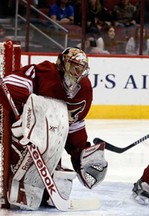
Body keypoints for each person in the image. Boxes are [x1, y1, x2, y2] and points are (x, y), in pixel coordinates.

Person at [0, 47, 108, 210]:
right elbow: (9, 85)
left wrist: (80, 152)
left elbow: (74, 125)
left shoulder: (84, 89)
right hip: (27, 134)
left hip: (49, 142)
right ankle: (20, 184)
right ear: (62, 64)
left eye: (81, 69)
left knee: (61, 185)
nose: (77, 73)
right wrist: (21, 120)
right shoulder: (45, 73)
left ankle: (44, 191)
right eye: (73, 66)